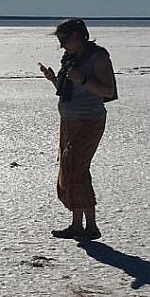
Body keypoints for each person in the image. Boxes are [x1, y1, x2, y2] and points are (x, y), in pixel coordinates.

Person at [39, 18, 117, 240]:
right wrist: (55, 80)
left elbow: (108, 90)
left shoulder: (98, 57)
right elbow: (68, 90)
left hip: (89, 121)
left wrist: (82, 79)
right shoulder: (71, 58)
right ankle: (79, 225)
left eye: (64, 40)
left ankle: (90, 227)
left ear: (77, 36)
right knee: (73, 169)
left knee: (75, 168)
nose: (62, 46)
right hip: (69, 121)